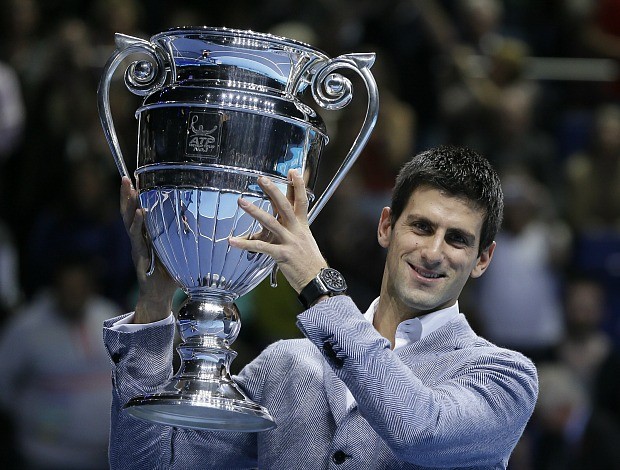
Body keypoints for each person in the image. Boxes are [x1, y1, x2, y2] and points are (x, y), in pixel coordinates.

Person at [104, 145, 538, 469]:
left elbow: (418, 428)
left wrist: (317, 283)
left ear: (483, 259)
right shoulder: (285, 365)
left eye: (457, 239)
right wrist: (153, 303)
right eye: (421, 227)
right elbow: (151, 466)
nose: (432, 251)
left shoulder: (503, 377)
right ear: (386, 226)